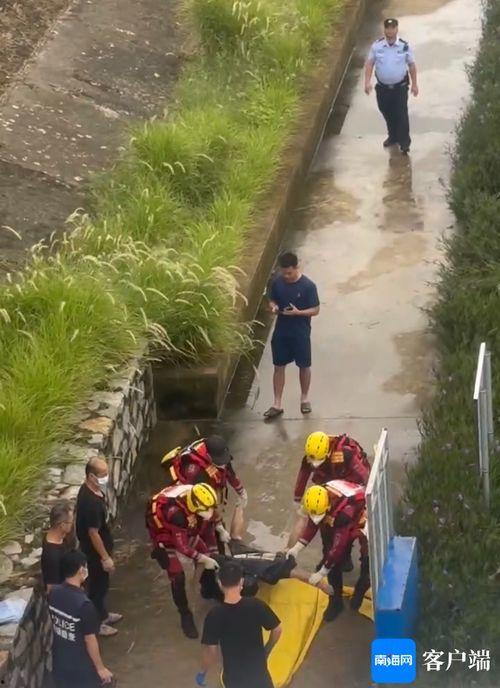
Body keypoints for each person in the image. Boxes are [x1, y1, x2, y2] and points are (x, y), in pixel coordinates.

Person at [145, 482, 221, 639]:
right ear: (195, 506)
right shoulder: (176, 515)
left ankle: (208, 588)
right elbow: (182, 547)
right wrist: (202, 558)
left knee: (205, 552)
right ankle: (185, 614)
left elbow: (209, 519)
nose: (210, 512)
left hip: (185, 529)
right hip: (165, 537)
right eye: (206, 509)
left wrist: (219, 528)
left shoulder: (197, 496)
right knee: (177, 576)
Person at [287, 481, 370, 622]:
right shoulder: (316, 500)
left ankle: (359, 594)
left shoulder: (344, 513)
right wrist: (297, 547)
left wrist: (322, 572)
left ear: (328, 506)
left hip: (363, 521)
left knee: (369, 564)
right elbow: (312, 525)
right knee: (330, 559)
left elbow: (338, 546)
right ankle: (336, 602)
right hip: (341, 517)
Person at [287, 431, 371, 565]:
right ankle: (328, 554)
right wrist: (297, 498)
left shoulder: (345, 454)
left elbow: (364, 476)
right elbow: (303, 475)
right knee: (323, 522)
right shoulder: (312, 456)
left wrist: (364, 497)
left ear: (327, 452)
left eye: (318, 461)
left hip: (349, 486)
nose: (314, 464)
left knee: (344, 529)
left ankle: (346, 558)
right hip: (328, 486)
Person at [197, 561, 282, 688]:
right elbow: (277, 629)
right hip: (259, 676)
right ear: (241, 582)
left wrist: (202, 673)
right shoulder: (256, 605)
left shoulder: (215, 615)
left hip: (234, 678)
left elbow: (211, 651)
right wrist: (267, 649)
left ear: (219, 583)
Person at [264, 252, 320, 420]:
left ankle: (304, 399)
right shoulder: (277, 283)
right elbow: (272, 299)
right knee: (278, 366)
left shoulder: (308, 286)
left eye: (289, 273)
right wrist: (273, 306)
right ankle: (277, 404)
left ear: (296, 267)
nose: (286, 276)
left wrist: (298, 312)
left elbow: (316, 309)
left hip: (300, 332)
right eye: (284, 273)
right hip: (281, 331)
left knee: (304, 366)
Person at [48, 549, 113, 688]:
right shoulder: (84, 605)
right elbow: (90, 640)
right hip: (80, 667)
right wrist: (100, 668)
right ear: (81, 570)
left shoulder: (54, 592)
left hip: (60, 662)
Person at [76, 457, 122, 637]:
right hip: (94, 554)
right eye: (102, 475)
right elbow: (93, 533)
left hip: (97, 550)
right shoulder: (91, 504)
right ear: (91, 476)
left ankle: (103, 614)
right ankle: (97, 623)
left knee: (102, 586)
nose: (106, 477)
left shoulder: (91, 491)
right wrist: (105, 557)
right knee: (97, 588)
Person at [364, 18, 418, 154]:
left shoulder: (404, 46)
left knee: (401, 114)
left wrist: (414, 84)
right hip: (383, 88)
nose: (390, 30)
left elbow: (411, 65)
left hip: (400, 88)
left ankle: (404, 143)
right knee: (386, 111)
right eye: (387, 28)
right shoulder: (377, 46)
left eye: (393, 28)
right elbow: (370, 64)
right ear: (384, 29)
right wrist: (367, 82)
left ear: (397, 29)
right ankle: (393, 136)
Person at [41, 501, 74, 592]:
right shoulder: (52, 555)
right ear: (62, 525)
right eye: (71, 522)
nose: (72, 524)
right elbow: (51, 588)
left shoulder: (61, 536)